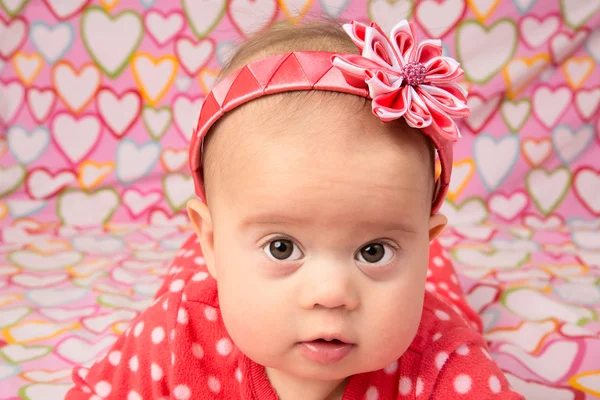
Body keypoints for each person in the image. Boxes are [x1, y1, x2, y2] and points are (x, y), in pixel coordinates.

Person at [65, 18, 524, 399]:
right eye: (282, 247)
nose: (330, 292)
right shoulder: (176, 334)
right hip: (207, 274)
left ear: (425, 243)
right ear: (211, 241)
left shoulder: (444, 360)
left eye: (374, 251)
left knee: (448, 301)